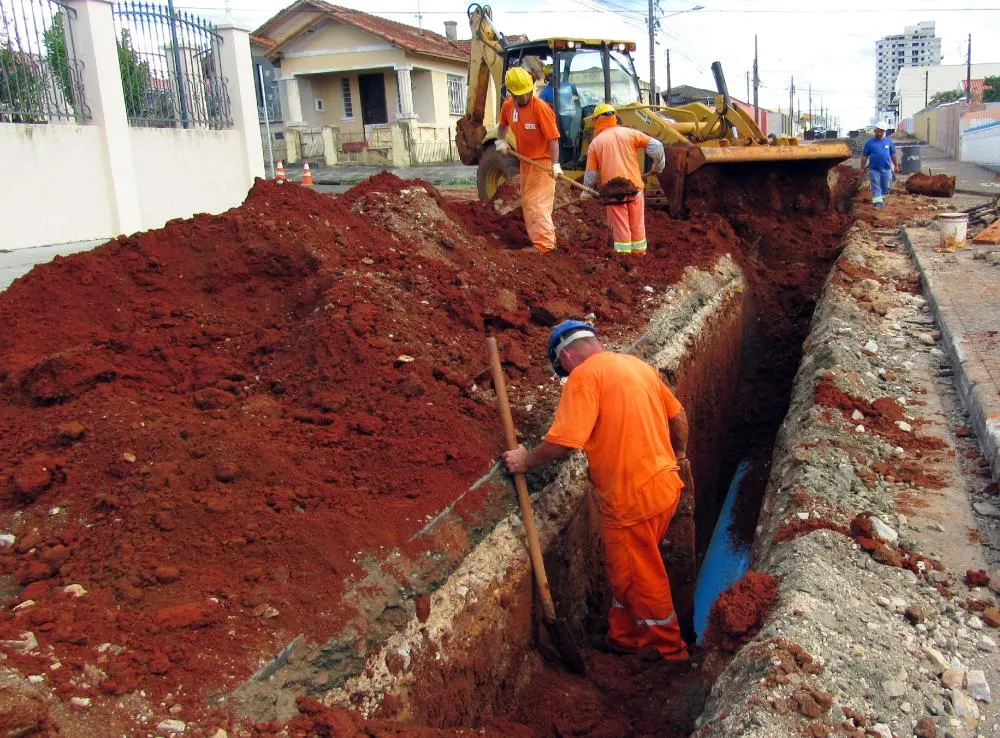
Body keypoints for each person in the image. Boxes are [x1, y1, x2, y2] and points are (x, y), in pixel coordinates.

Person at [502, 320, 691, 660]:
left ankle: (669, 651)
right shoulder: (637, 366)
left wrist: (524, 461)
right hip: (665, 486)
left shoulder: (584, 377)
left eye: (562, 370)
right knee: (628, 573)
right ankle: (624, 637)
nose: (565, 376)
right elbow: (678, 417)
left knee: (641, 577)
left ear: (568, 356)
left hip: (631, 501)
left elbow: (563, 441)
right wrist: (678, 454)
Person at [581, 104, 665, 255]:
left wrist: (587, 191)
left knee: (620, 227)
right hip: (635, 188)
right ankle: (639, 255)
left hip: (614, 192)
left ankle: (623, 257)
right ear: (614, 117)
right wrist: (658, 167)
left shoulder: (596, 143)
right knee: (637, 224)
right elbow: (657, 146)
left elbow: (591, 174)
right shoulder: (630, 133)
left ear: (596, 121)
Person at [495, 66, 562, 254]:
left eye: (527, 92)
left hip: (543, 163)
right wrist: (501, 140)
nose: (524, 97)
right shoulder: (508, 106)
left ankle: (544, 245)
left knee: (536, 203)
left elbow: (553, 139)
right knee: (527, 202)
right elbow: (502, 125)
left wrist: (555, 165)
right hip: (526, 161)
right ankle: (540, 240)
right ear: (512, 93)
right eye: (519, 94)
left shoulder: (540, 108)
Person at [860, 121, 900, 208]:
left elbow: (893, 154)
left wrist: (896, 166)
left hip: (886, 169)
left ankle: (882, 201)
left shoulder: (888, 142)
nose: (879, 133)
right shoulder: (869, 143)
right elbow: (864, 156)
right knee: (875, 186)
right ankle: (877, 204)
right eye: (877, 131)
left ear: (884, 132)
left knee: (886, 187)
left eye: (881, 131)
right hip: (874, 169)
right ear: (874, 131)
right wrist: (862, 168)